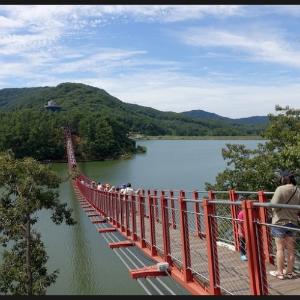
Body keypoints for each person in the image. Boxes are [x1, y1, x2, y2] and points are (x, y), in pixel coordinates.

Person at [269, 170, 300, 280]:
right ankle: (290, 272)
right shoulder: (298, 190)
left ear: (283, 179)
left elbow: (274, 206)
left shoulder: (280, 189)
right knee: (291, 249)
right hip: (293, 222)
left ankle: (279, 272)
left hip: (280, 222)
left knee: (280, 249)